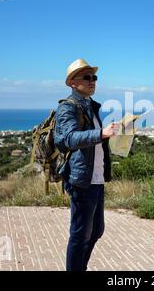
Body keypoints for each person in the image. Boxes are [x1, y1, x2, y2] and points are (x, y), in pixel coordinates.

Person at [54, 58, 119, 271]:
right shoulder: (68, 107)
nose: (92, 81)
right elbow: (67, 138)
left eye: (94, 77)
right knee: (80, 234)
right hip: (82, 180)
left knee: (96, 231)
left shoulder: (91, 107)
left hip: (97, 178)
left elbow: (94, 140)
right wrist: (101, 133)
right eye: (87, 77)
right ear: (72, 82)